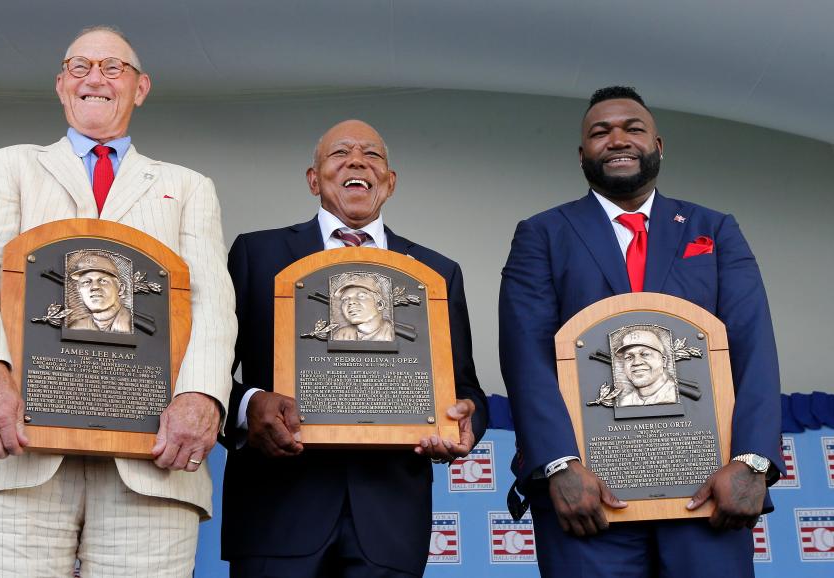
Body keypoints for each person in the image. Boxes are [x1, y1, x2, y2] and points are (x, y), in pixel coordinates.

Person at [0, 25, 236, 577]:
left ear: (140, 88)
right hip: (17, 445)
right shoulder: (8, 166)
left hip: (151, 455)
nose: (94, 77)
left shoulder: (188, 186)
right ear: (60, 85)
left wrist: (202, 398)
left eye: (112, 67)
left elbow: (211, 300)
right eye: (80, 67)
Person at [499, 86, 781, 577]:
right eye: (600, 132)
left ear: (658, 144)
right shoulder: (542, 234)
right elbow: (526, 356)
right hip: (589, 495)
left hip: (707, 488)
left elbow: (754, 347)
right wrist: (558, 464)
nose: (617, 140)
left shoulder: (714, 229)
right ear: (582, 153)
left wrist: (753, 461)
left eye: (633, 128)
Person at [221, 119, 488, 577]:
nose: (357, 161)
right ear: (313, 179)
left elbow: (466, 388)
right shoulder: (256, 254)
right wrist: (249, 406)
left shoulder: (436, 272)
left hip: (390, 520)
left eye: (373, 155)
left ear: (390, 181)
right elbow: (207, 372)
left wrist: (466, 421)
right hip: (276, 513)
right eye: (339, 153)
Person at [67, 253, 132, 333]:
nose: (94, 287)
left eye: (103, 281)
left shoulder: (132, 324)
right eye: (86, 282)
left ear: (120, 289)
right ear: (79, 290)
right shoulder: (75, 328)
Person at [614, 328, 678, 407]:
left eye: (645, 354)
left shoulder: (675, 395)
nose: (636, 362)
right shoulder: (625, 402)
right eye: (629, 357)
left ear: (663, 361)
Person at [332, 273, 396, 341]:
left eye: (361, 296)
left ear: (380, 304)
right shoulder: (341, 336)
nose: (351, 302)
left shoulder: (392, 333)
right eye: (345, 299)